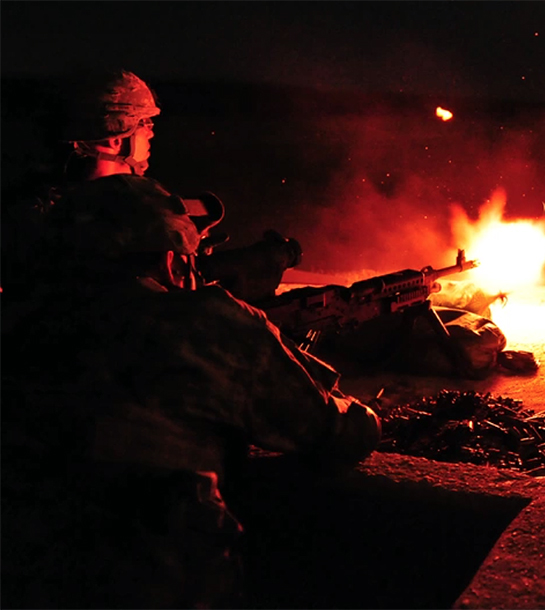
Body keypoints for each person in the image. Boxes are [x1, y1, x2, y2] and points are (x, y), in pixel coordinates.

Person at [0, 174, 382, 608]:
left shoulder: (21, 320)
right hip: (154, 586)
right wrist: (361, 411)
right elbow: (334, 433)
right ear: (169, 260)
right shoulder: (203, 322)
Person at [0, 68, 299, 302]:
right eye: (145, 124)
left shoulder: (34, 206)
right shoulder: (137, 212)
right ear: (117, 137)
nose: (152, 133)